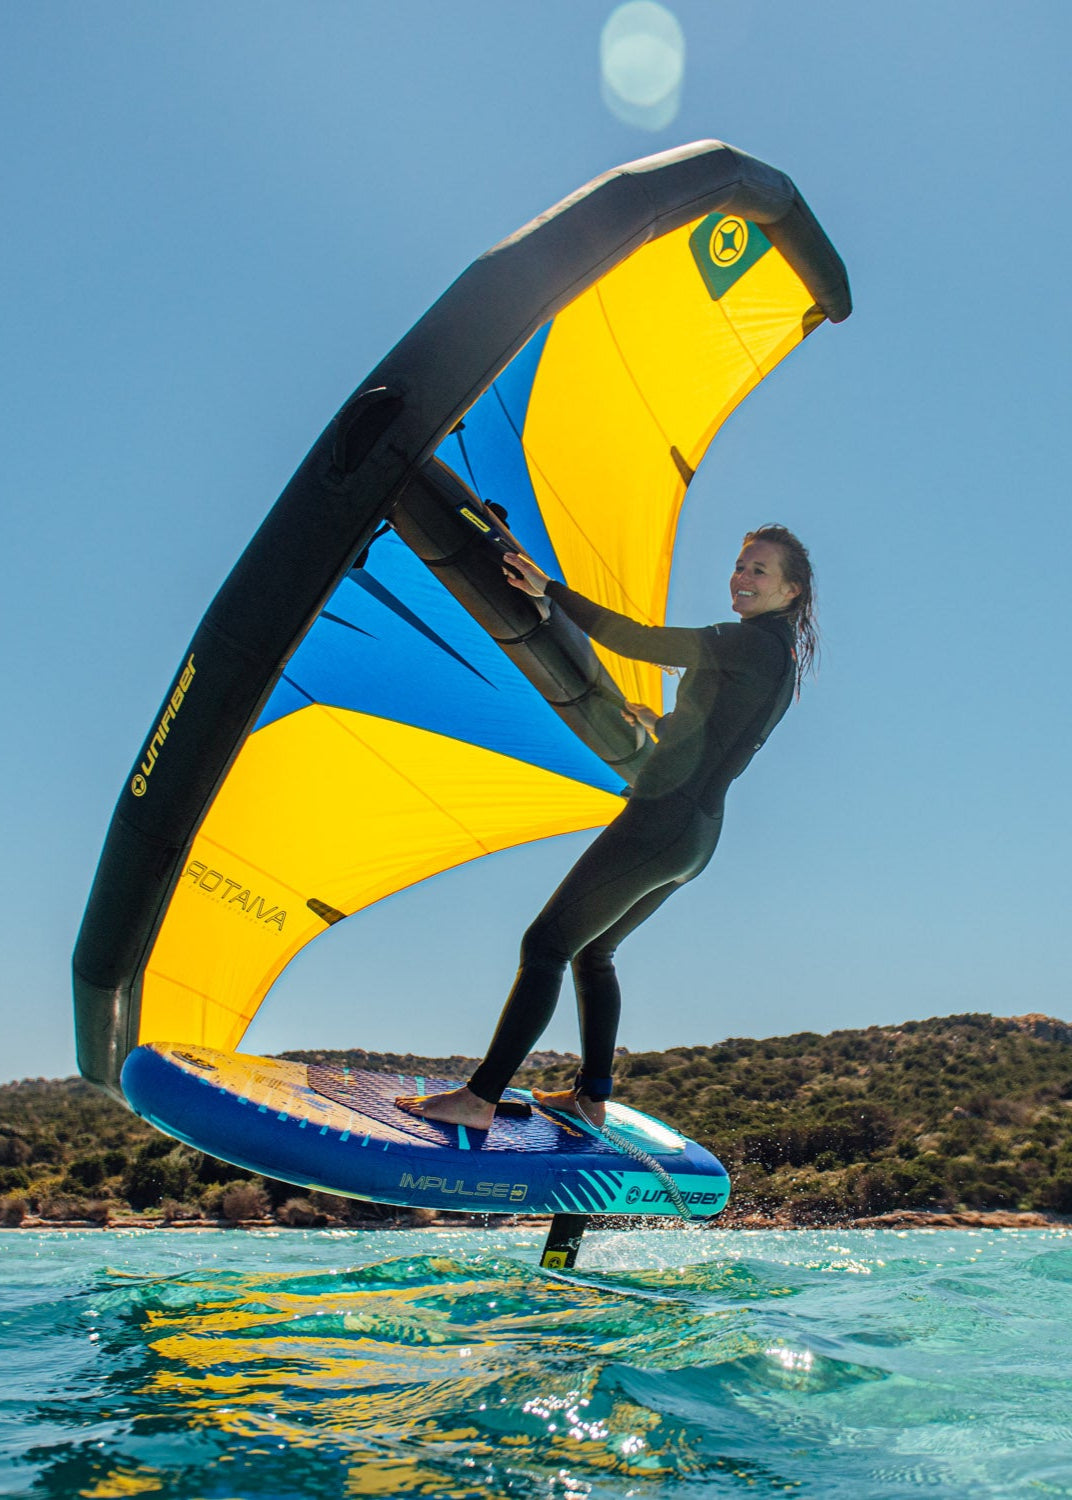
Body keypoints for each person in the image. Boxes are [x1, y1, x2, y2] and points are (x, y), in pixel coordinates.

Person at [397, 524, 817, 1130]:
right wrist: (661, 724)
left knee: (545, 945)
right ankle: (592, 1098)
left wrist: (550, 591)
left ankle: (479, 1099)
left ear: (791, 591)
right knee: (594, 950)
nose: (742, 577)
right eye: (740, 564)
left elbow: (638, 641)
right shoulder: (778, 659)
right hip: (697, 836)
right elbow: (721, 736)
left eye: (759, 570)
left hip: (662, 824)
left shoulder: (749, 642)